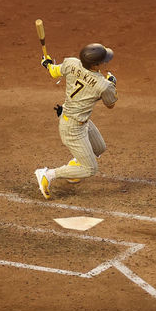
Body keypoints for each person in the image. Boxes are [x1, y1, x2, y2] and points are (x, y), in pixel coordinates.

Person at [34, 43, 118, 199]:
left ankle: (74, 170)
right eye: (102, 60)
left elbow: (53, 72)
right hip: (72, 128)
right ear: (96, 64)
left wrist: (47, 63)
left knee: (99, 148)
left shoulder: (72, 63)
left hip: (79, 120)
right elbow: (111, 105)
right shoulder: (103, 85)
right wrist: (112, 83)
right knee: (90, 169)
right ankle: (47, 174)